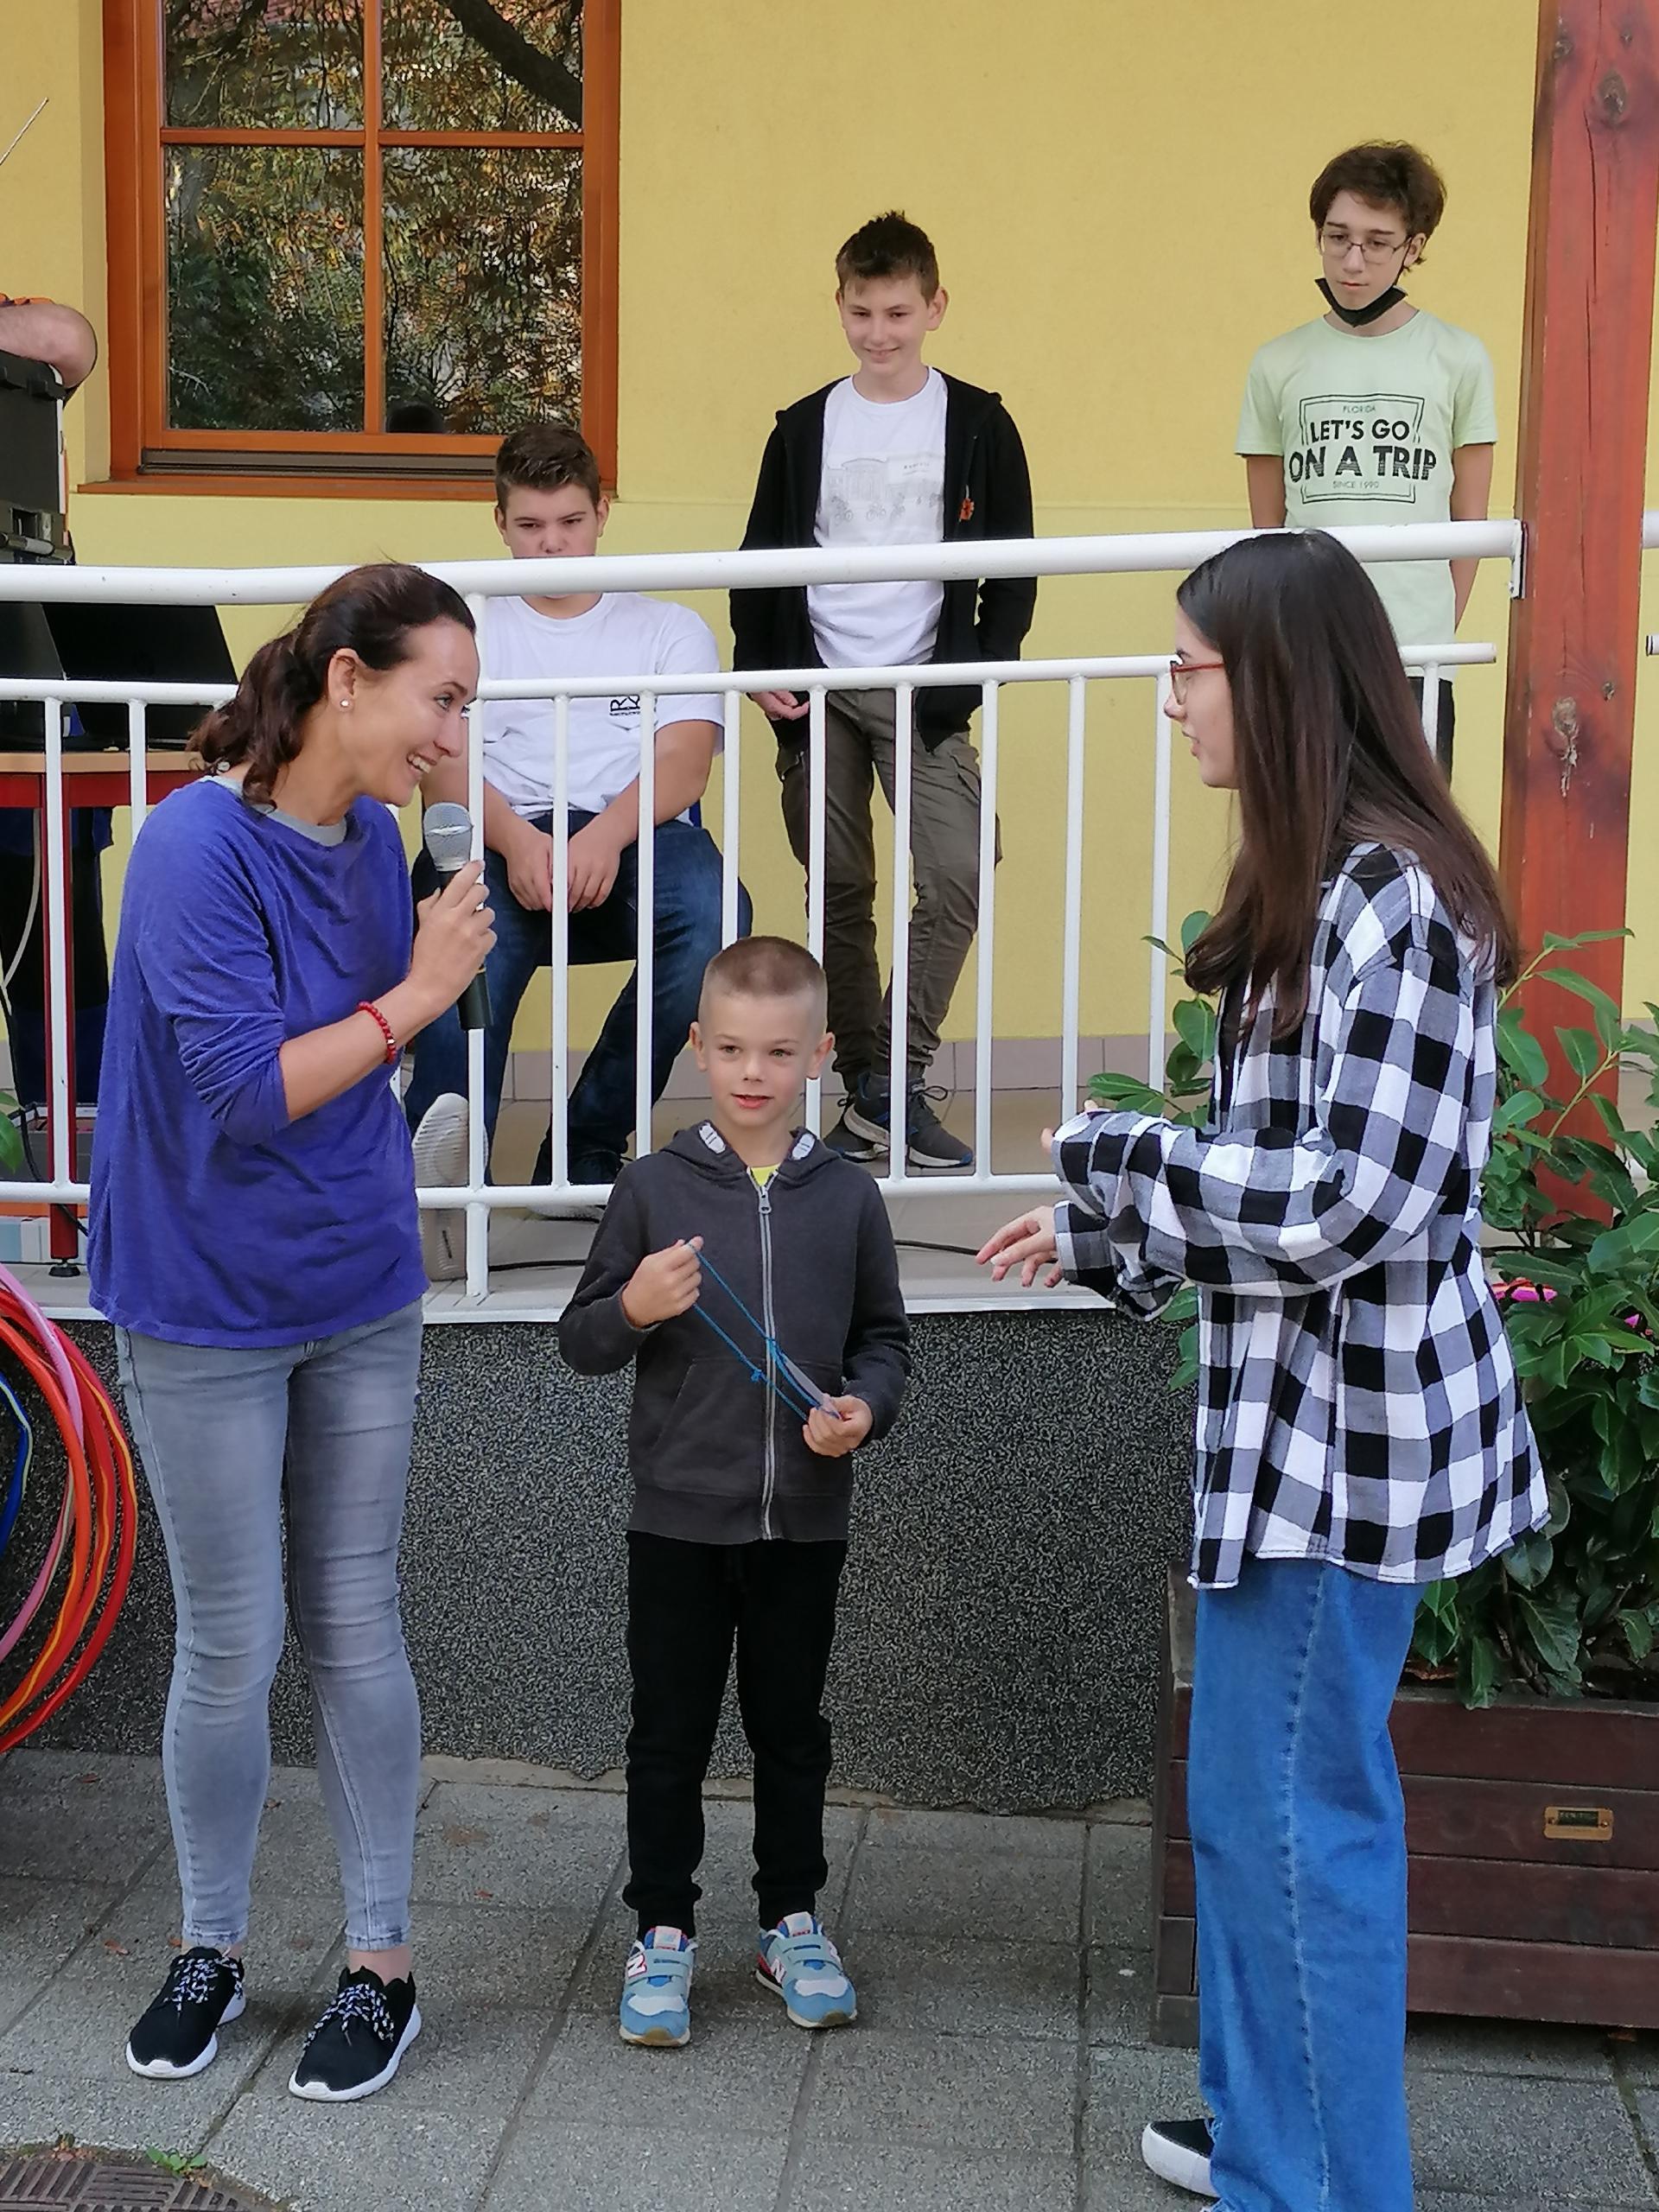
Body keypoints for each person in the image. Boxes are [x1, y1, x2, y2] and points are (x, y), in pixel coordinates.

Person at [978, 532, 1547, 2212]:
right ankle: (1268, 2135)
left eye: (1187, 669)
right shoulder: (1328, 888)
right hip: (1298, 1445)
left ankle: (1317, 2185)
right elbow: (1282, 1180)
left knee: (1296, 1831)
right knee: (1253, 1816)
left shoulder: (1396, 905)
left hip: (1343, 1458)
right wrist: (1107, 1234)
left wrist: (1111, 1167)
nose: (1170, 700)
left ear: (1279, 682)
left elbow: (1355, 1199)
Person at [88, 564, 495, 2101]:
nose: (451, 737)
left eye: (464, 706)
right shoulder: (192, 846)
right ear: (345, 681)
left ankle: (382, 1963)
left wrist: (413, 988)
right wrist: (421, 994)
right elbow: (244, 1092)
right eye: (440, 700)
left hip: (359, 1283)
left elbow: (352, 1063)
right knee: (231, 1640)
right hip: (203, 1294)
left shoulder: (379, 838)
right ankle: (211, 1945)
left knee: (355, 1620)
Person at [558, 936, 910, 2049]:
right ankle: (662, 1928)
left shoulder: (848, 1198)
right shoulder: (651, 1188)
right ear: (698, 1047)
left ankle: (790, 1920)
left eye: (779, 1051)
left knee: (790, 1729)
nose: (754, 1071)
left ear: (820, 1053)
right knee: (667, 1732)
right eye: (733, 1049)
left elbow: (885, 1342)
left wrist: (864, 1410)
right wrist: (637, 1307)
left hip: (804, 1520)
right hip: (675, 1520)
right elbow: (582, 1339)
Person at [731, 211, 1034, 1173]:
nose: (879, 332)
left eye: (898, 312)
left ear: (935, 308)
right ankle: (866, 1086)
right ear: (840, 306)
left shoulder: (979, 421)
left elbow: (1015, 568)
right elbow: (758, 562)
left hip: (926, 688)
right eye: (861, 312)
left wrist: (972, 670)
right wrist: (763, 671)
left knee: (957, 869)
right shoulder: (803, 426)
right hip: (819, 690)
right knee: (840, 889)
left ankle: (892, 1084)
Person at [404, 422, 748, 1245]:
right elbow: (441, 769)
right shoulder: (463, 626)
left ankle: (585, 1147)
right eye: (529, 526)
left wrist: (602, 838)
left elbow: (685, 766)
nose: (551, 545)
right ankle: (448, 1192)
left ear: (601, 513)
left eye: (569, 522)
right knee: (459, 932)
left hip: (633, 836)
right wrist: (520, 843)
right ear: (499, 523)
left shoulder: (669, 625)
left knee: (718, 917)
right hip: (500, 835)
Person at [1236, 143, 1497, 774]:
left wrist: (1434, 625)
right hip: (1308, 649)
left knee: (1411, 825)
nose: (1353, 261)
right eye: (1338, 237)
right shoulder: (1276, 362)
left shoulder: (1459, 358)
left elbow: (1471, 521)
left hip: (1414, 652)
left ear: (1413, 246)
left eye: (1378, 243)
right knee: (1309, 823)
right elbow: (1268, 531)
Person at [0, 292, 108, 1117]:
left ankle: (72, 1127)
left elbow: (70, 341)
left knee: (54, 935)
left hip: (26, 661)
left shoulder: (21, 344)